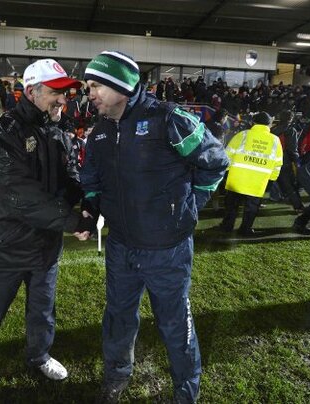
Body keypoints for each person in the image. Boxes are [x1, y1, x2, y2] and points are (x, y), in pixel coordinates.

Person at [78, 50, 229, 403]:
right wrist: (90, 207)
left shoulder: (169, 119)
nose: (90, 93)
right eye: (89, 86)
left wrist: (191, 205)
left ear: (121, 85)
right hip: (121, 247)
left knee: (175, 324)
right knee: (118, 317)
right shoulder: (99, 132)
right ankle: (116, 376)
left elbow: (216, 162)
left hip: (167, 249)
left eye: (96, 85)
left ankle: (185, 392)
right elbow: (92, 180)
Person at [0, 58, 91, 404]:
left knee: (42, 312)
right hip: (6, 248)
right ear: (31, 92)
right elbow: (19, 195)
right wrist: (74, 222)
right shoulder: (4, 133)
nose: (63, 99)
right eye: (56, 92)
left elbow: (70, 177)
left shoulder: (59, 129)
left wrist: (88, 202)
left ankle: (39, 356)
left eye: (65, 92)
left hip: (45, 247)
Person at [219, 111, 283, 236]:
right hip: (258, 181)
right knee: (251, 208)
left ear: (253, 122)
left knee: (232, 205)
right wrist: (271, 180)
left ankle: (227, 226)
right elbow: (277, 164)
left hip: (237, 178)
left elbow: (227, 155)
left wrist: (226, 172)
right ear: (269, 124)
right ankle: (245, 229)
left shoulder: (242, 135)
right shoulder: (275, 140)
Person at [271, 109, 304, 212]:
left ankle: (253, 204)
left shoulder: (272, 129)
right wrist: (296, 160)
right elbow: (292, 148)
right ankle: (298, 206)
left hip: (271, 159)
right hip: (284, 160)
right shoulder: (290, 130)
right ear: (290, 119)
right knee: (289, 185)